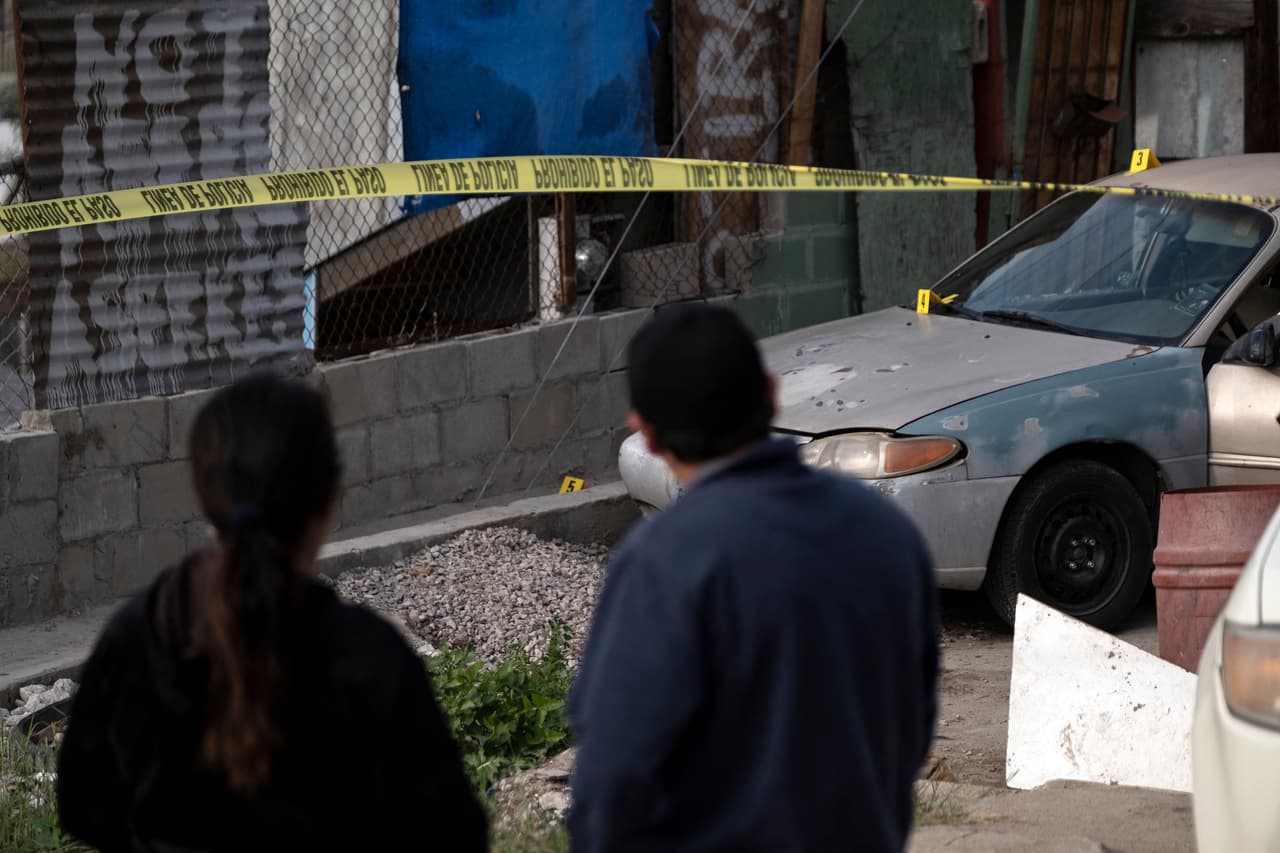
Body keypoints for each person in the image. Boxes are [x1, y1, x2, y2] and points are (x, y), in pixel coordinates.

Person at [57, 373, 487, 852]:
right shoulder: (371, 660)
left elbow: (83, 805)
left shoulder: (140, 637)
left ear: (206, 501)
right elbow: (454, 833)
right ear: (330, 499)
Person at [568, 304, 939, 853]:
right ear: (770, 394)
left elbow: (613, 777)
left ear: (644, 432)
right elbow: (912, 724)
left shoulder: (662, 562)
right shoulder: (887, 533)